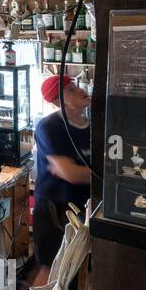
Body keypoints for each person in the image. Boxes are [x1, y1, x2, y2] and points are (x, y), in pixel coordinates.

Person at [32, 74, 92, 268]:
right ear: (58, 100)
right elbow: (70, 174)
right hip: (54, 209)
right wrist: (107, 178)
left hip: (83, 206)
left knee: (74, 271)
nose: (80, 90)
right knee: (50, 273)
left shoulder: (92, 126)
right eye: (71, 90)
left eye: (76, 86)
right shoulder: (49, 126)